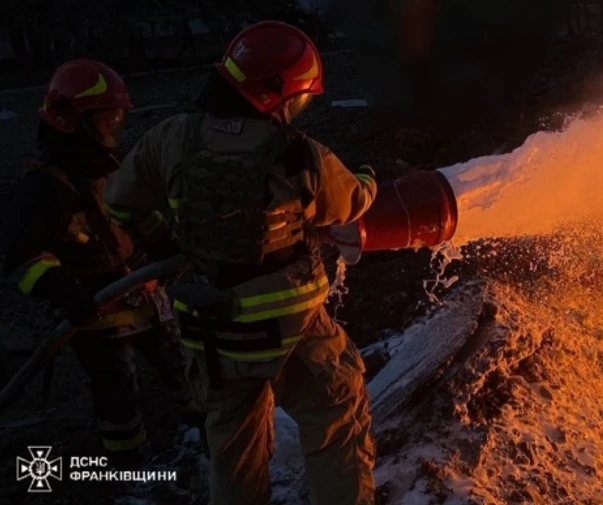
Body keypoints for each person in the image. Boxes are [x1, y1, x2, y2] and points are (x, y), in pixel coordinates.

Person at [103, 21, 378, 505]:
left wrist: (168, 245)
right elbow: (349, 203)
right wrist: (368, 179)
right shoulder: (298, 153)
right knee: (336, 418)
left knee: (232, 449)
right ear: (277, 94)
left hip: (211, 331)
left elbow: (119, 204)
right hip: (292, 329)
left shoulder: (173, 137)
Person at [1, 59, 191, 466]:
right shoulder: (41, 189)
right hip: (97, 315)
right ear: (71, 119)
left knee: (186, 373)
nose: (112, 128)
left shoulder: (112, 168)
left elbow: (139, 215)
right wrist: (66, 292)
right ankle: (129, 471)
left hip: (147, 296)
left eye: (117, 118)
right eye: (104, 118)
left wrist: (167, 250)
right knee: (118, 397)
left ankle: (208, 441)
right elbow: (24, 260)